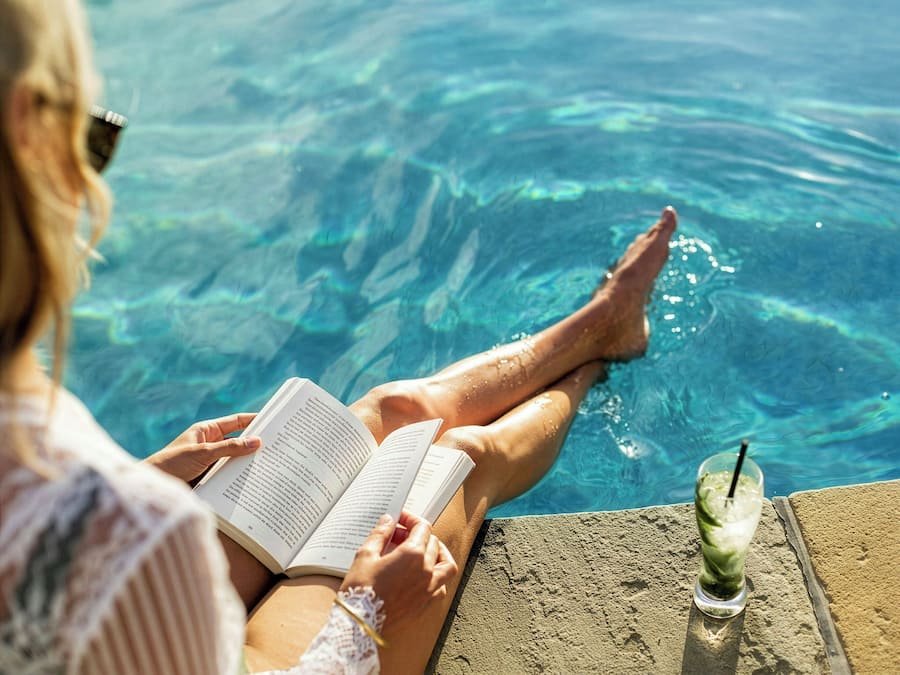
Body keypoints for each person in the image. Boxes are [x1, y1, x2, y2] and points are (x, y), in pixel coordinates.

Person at [0, 0, 677, 673]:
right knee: (460, 461)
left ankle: (601, 323)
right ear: (28, 129)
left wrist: (143, 478)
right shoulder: (134, 528)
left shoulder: (96, 498)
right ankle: (598, 355)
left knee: (388, 415)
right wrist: (369, 612)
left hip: (98, 594)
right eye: (89, 132)